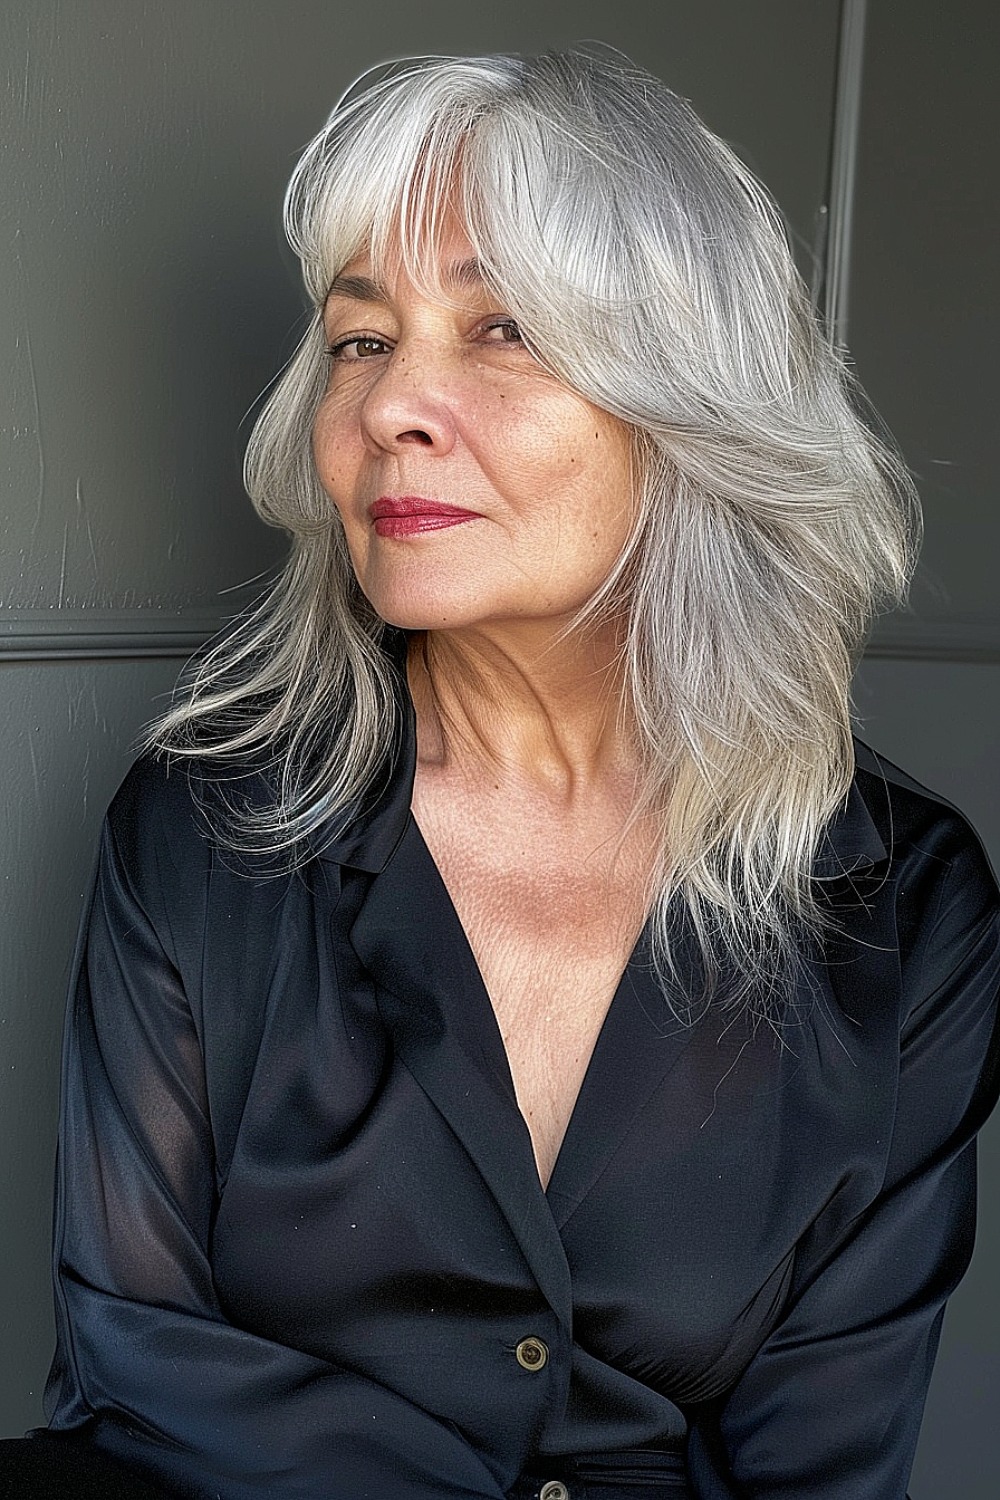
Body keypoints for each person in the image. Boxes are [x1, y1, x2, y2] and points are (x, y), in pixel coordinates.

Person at [18, 44, 1000, 1500]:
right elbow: (139, 1372)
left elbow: (825, 1459)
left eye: (506, 331)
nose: (394, 408)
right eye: (362, 340)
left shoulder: (906, 909)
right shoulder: (202, 834)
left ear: (690, 405)